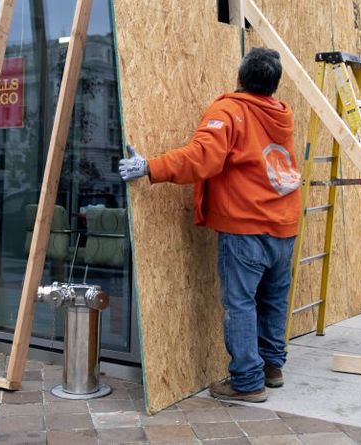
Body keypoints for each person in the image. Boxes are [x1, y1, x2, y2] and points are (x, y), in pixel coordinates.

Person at [118, 47, 301, 403]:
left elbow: (202, 157)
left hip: (247, 226)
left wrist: (150, 167)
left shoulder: (230, 111)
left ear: (240, 77)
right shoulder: (281, 114)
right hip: (284, 224)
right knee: (274, 299)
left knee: (241, 303)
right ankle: (272, 367)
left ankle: (248, 383)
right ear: (273, 85)